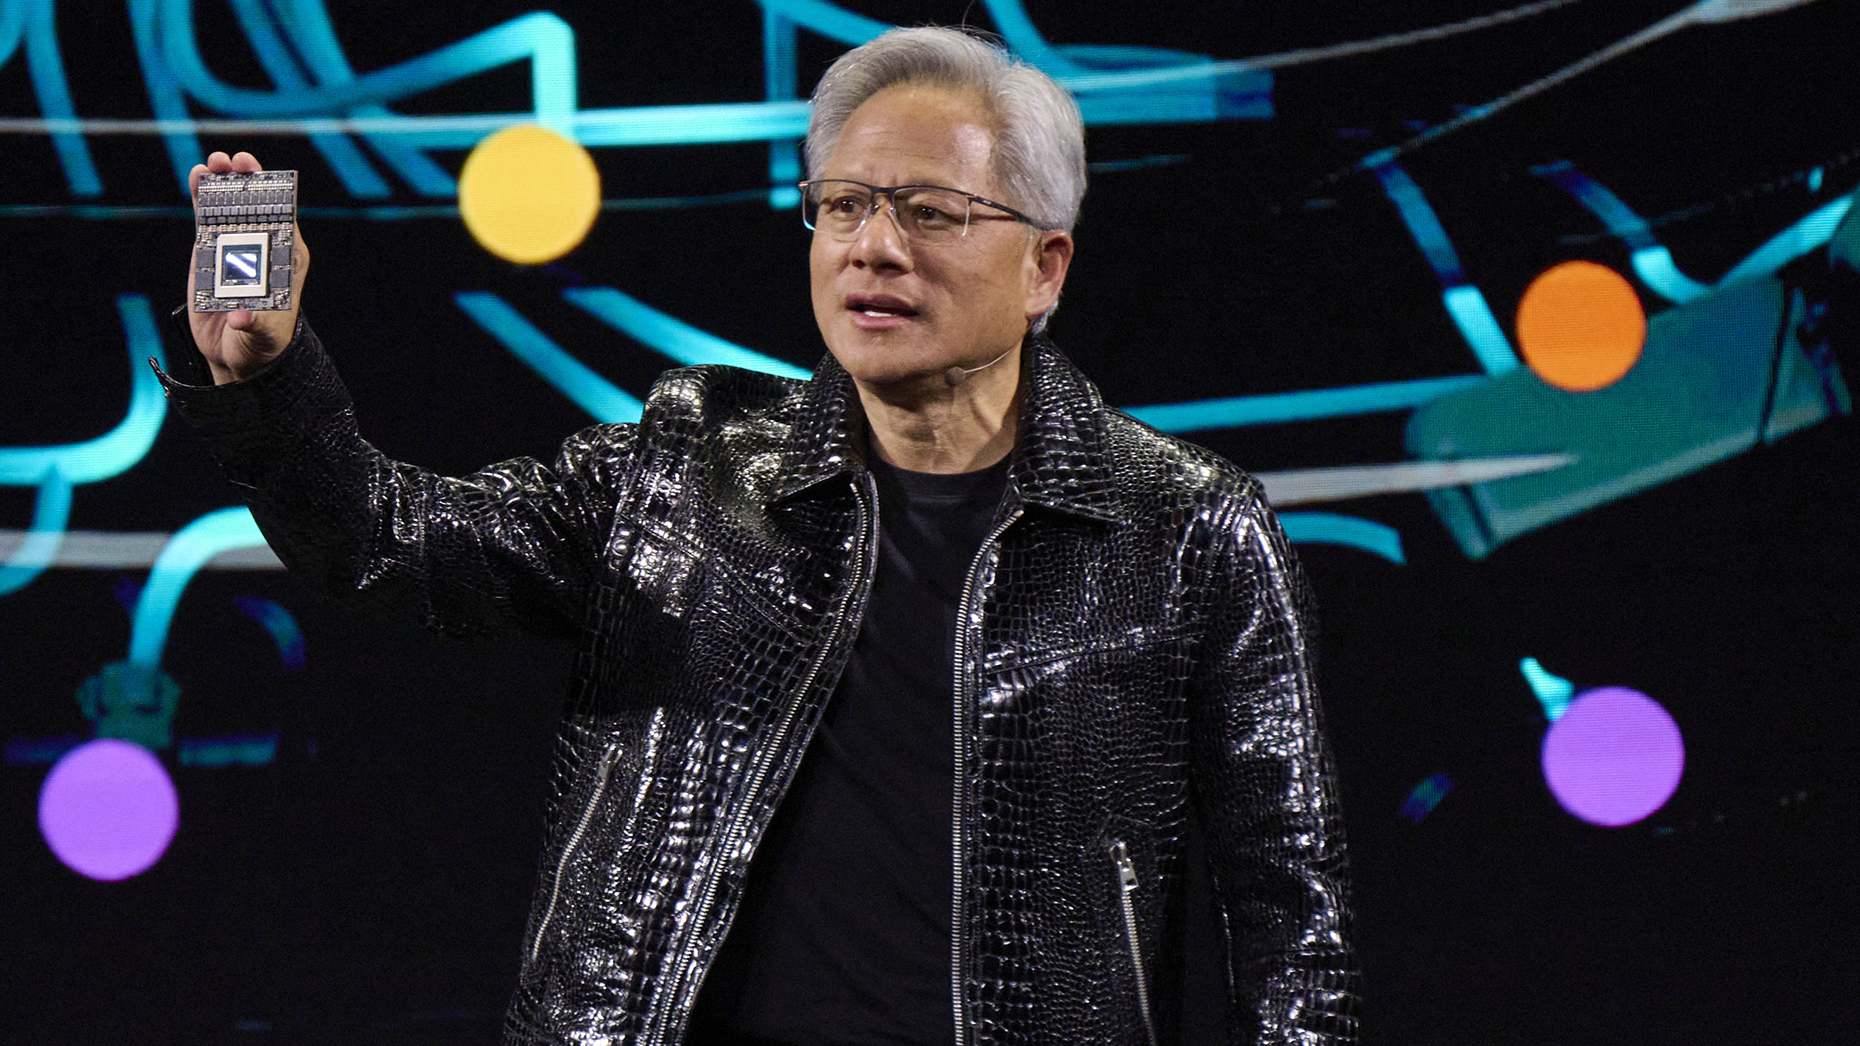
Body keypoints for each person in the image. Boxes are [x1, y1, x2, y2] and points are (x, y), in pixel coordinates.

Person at [161, 26, 1358, 1046]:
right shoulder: (685, 462)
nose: (870, 249)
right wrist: (272, 382)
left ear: (1046, 265)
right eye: (841, 206)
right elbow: (396, 541)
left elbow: (1295, 915)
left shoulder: (1187, 524)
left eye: (931, 212)